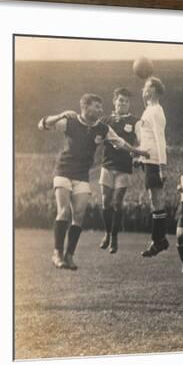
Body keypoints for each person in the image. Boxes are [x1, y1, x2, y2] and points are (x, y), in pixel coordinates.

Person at [37, 93, 148, 270]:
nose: (100, 110)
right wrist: (61, 114)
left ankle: (69, 255)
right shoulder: (70, 121)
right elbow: (42, 124)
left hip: (82, 175)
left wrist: (139, 152)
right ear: (85, 107)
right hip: (64, 171)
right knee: (64, 211)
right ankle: (57, 253)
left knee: (79, 216)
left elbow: (120, 143)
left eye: (100, 107)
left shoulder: (102, 129)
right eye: (97, 107)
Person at [98, 88, 140, 254]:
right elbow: (96, 137)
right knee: (105, 202)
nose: (122, 103)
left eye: (126, 101)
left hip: (123, 168)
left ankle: (114, 238)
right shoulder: (105, 120)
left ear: (129, 104)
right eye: (120, 100)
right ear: (114, 101)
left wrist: (138, 156)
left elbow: (141, 141)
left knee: (117, 202)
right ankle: (107, 234)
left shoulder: (135, 121)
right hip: (107, 166)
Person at [136, 77, 170, 258]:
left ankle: (159, 240)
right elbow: (147, 139)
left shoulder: (156, 110)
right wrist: (140, 156)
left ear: (154, 90)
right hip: (147, 160)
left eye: (147, 86)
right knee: (153, 199)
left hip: (155, 161)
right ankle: (160, 239)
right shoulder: (148, 109)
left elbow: (160, 138)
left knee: (156, 199)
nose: (143, 89)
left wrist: (162, 166)